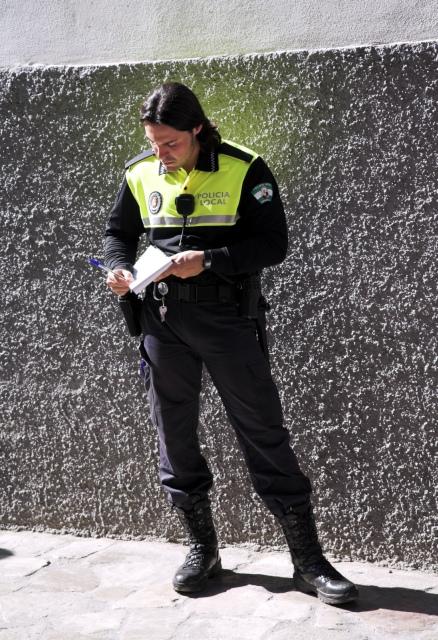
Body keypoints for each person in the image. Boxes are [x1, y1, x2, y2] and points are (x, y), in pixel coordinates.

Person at [104, 82, 358, 605]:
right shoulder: (139, 171)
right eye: (154, 142)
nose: (162, 153)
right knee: (173, 435)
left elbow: (274, 243)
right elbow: (118, 233)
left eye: (171, 142)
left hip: (226, 319)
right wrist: (118, 267)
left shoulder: (245, 168)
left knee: (263, 431)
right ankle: (203, 550)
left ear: (197, 128)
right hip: (161, 322)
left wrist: (212, 261)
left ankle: (308, 561)